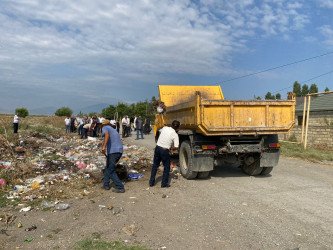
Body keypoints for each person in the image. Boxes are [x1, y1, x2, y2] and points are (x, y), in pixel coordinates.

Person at [149, 120, 180, 188]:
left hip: (157, 148)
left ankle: (151, 182)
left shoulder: (165, 128)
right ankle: (164, 184)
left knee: (155, 165)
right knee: (166, 167)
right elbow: (176, 146)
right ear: (178, 127)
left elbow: (160, 131)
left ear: (171, 124)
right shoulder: (175, 134)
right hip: (164, 150)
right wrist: (171, 149)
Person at [101, 119, 125, 193]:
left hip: (113, 151)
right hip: (119, 150)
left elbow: (106, 135)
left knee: (111, 170)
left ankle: (120, 187)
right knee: (108, 167)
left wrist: (104, 147)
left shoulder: (105, 128)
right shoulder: (113, 129)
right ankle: (106, 185)